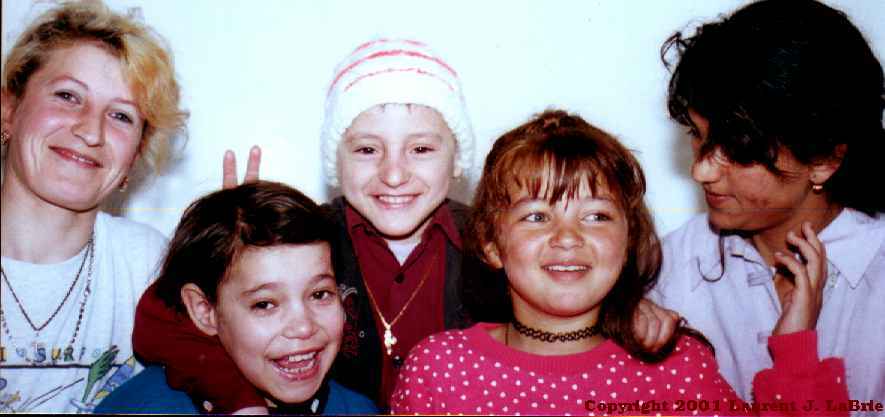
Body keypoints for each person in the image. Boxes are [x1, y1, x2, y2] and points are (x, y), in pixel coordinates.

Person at [390, 109, 850, 415]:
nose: (567, 237)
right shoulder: (440, 371)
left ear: (628, 243)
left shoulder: (678, 368)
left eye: (596, 216)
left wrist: (794, 356)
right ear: (491, 242)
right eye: (536, 216)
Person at [130, 38, 490, 413]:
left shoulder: (491, 246)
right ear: (337, 160)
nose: (394, 174)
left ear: (457, 159)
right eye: (367, 149)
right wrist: (229, 256)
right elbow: (161, 321)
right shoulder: (309, 240)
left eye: (421, 150)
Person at [652, 0, 885, 412]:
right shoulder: (668, 268)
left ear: (824, 161)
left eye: (739, 150)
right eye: (696, 134)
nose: (702, 171)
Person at [0, 1, 187, 413]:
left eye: (121, 116)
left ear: (134, 157)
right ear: (8, 110)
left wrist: (241, 268)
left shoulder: (149, 265)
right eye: (68, 96)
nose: (90, 130)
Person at [93, 181, 378, 414]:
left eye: (319, 294)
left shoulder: (358, 409)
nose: (304, 327)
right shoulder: (142, 408)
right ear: (205, 311)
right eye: (265, 304)